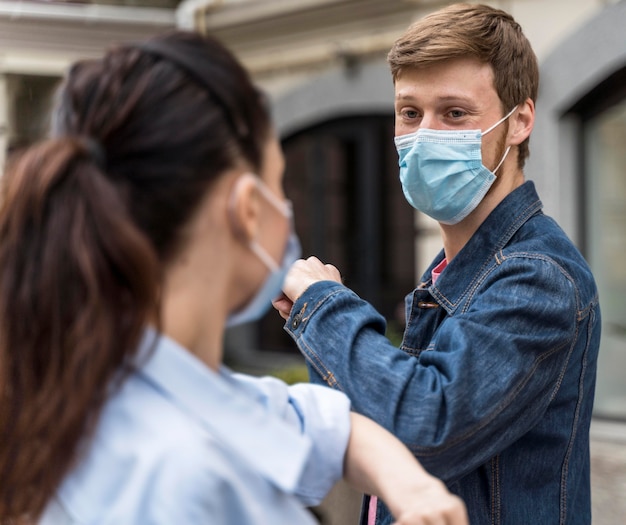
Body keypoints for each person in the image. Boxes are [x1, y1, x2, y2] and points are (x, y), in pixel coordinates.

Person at [0, 31, 468, 525]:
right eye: (278, 179)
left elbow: (327, 427)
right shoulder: (199, 483)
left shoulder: (88, 387)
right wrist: (328, 305)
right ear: (248, 209)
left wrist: (411, 486)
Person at [273, 3, 601, 525]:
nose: (424, 135)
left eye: (454, 113)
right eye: (409, 112)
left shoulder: (537, 276)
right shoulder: (450, 272)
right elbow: (365, 427)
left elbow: (425, 430)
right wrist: (313, 324)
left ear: (518, 121)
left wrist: (326, 310)